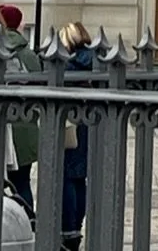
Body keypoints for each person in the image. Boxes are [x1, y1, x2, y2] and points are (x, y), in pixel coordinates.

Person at [0, 3, 39, 211]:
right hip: (26, 127)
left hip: (1, 126)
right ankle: (28, 221)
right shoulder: (30, 55)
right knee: (22, 183)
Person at [57, 22, 96, 250]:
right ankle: (77, 227)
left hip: (70, 122)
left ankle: (68, 228)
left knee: (67, 176)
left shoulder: (69, 66)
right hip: (88, 122)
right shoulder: (94, 60)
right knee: (79, 176)